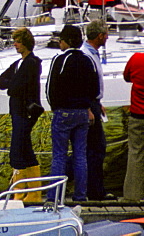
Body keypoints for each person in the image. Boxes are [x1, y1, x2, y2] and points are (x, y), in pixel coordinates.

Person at [46, 24, 98, 203]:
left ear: (67, 42)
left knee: (59, 155)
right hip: (83, 113)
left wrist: (55, 107)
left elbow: (50, 88)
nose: (59, 43)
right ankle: (80, 196)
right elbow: (95, 88)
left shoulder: (60, 60)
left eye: (61, 40)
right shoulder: (87, 59)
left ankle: (54, 198)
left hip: (64, 112)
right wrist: (87, 106)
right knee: (80, 155)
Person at [0, 27, 43, 201]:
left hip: (26, 112)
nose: (14, 44)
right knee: (23, 149)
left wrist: (12, 84)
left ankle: (28, 192)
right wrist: (12, 84)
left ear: (25, 43)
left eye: (17, 41)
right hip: (17, 111)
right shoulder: (18, 64)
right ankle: (26, 191)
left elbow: (14, 87)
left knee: (20, 149)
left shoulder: (31, 63)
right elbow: (1, 82)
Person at [81, 19, 111, 201]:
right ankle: (95, 191)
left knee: (93, 148)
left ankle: (94, 189)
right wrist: (88, 107)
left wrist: (98, 101)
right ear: (100, 36)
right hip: (88, 105)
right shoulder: (87, 55)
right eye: (106, 34)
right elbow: (82, 84)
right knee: (96, 148)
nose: (107, 38)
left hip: (93, 103)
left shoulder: (91, 53)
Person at [124, 47, 144, 200]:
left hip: (137, 115)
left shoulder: (136, 58)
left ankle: (133, 195)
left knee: (135, 153)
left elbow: (126, 77)